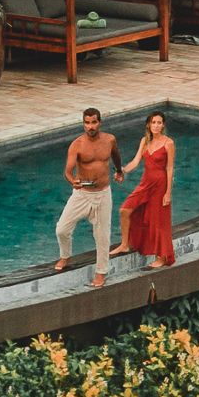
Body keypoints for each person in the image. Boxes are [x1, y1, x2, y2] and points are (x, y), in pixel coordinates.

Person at [53, 106, 123, 288]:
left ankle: (101, 272)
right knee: (62, 229)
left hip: (103, 194)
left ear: (99, 122)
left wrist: (119, 170)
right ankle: (65, 255)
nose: (90, 126)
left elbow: (116, 155)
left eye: (93, 122)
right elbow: (67, 172)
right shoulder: (77, 144)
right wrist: (72, 182)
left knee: (102, 236)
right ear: (83, 124)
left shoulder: (109, 140)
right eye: (87, 123)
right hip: (82, 193)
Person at [112, 110, 176, 269]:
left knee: (158, 221)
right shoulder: (144, 141)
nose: (156, 125)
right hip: (145, 183)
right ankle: (125, 244)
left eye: (159, 123)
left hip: (160, 185)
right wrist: (122, 171)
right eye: (153, 122)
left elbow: (169, 169)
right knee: (125, 210)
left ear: (163, 125)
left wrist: (168, 193)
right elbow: (135, 161)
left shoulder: (169, 143)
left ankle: (161, 257)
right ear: (148, 124)